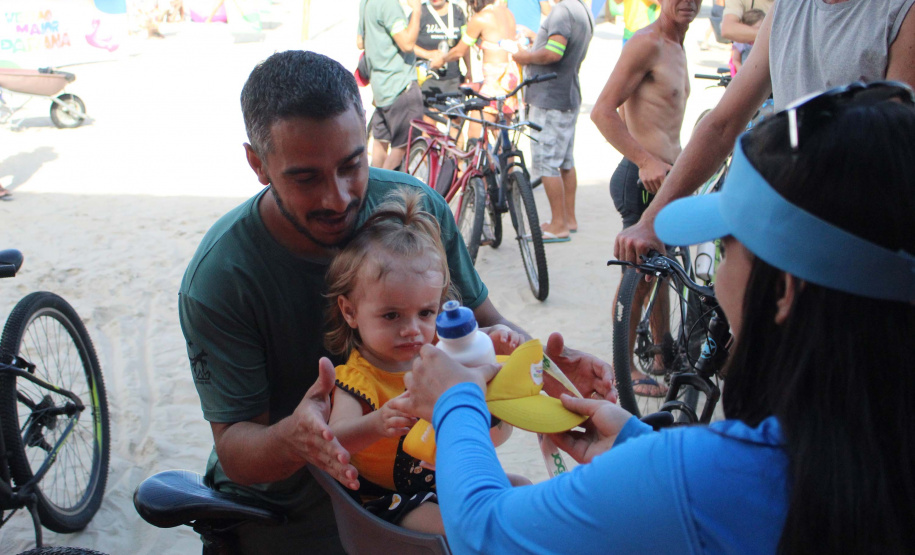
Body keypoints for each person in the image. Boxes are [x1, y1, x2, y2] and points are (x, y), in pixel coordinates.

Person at [403, 84, 915, 553]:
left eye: (727, 242)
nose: (715, 270)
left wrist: (454, 403)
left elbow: (485, 531)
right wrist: (636, 445)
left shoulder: (703, 476)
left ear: (784, 290)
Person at [178, 50, 613, 553]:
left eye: (351, 164)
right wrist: (296, 439)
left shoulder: (416, 209)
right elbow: (236, 450)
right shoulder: (221, 277)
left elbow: (482, 328)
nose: (338, 197)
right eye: (305, 177)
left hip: (430, 486)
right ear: (258, 164)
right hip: (284, 519)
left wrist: (547, 374)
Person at [615, 0, 915, 264]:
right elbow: (722, 124)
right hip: (782, 225)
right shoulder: (788, 8)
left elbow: (889, 152)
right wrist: (650, 220)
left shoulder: (900, 12)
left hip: (849, 245)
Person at [325, 189, 525, 534]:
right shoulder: (357, 378)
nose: (412, 330)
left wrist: (491, 341)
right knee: (465, 526)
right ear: (350, 311)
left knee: (523, 490)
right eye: (391, 315)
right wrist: (378, 422)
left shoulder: (439, 353)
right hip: (388, 500)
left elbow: (476, 366)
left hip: (447, 480)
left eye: (425, 313)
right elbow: (336, 440)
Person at [590, 0, 697, 397]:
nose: (687, 1)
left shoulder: (678, 45)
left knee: (661, 268)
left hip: (669, 181)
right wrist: (646, 159)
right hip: (640, 179)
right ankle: (625, 368)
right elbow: (602, 111)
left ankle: (661, 354)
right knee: (639, 274)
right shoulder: (646, 42)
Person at [512, 0, 593, 242]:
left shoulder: (561, 11)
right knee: (565, 161)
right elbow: (560, 45)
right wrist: (536, 36)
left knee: (546, 163)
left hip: (551, 98)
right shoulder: (581, 9)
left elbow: (554, 52)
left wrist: (524, 57)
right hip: (567, 94)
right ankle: (568, 218)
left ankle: (559, 224)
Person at [360, 0, 425, 170]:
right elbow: (407, 44)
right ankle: (381, 193)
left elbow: (360, 41)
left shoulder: (366, 3)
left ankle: (370, 190)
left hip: (380, 87)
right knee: (404, 147)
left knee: (380, 142)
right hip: (399, 86)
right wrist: (417, 10)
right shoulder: (388, 4)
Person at [436, 0, 521, 118]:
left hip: (495, 78)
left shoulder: (480, 18)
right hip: (511, 74)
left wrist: (442, 59)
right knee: (500, 128)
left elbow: (460, 51)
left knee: (475, 128)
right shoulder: (507, 13)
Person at [414, 0, 472, 94]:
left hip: (453, 79)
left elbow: (464, 45)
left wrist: (469, 70)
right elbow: (407, 44)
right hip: (427, 79)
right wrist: (427, 54)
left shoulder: (457, 11)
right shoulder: (420, 12)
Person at [728, 8, 764, 75]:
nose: (758, 32)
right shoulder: (741, 43)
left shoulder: (763, 42)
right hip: (744, 73)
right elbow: (735, 60)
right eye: (756, 29)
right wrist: (742, 73)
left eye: (761, 28)